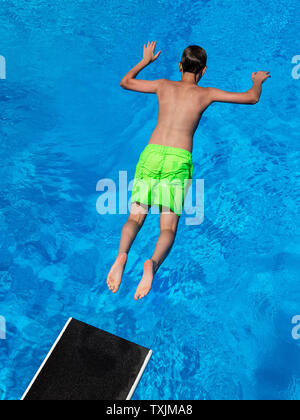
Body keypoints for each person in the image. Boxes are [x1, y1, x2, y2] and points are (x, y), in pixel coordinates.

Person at [107, 41, 270, 301]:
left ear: (180, 66)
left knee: (135, 217)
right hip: (178, 160)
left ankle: (122, 255)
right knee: (168, 229)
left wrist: (145, 61)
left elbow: (126, 82)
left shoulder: (162, 85)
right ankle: (152, 264)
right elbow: (251, 97)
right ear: (203, 71)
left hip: (152, 154)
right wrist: (258, 80)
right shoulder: (206, 94)